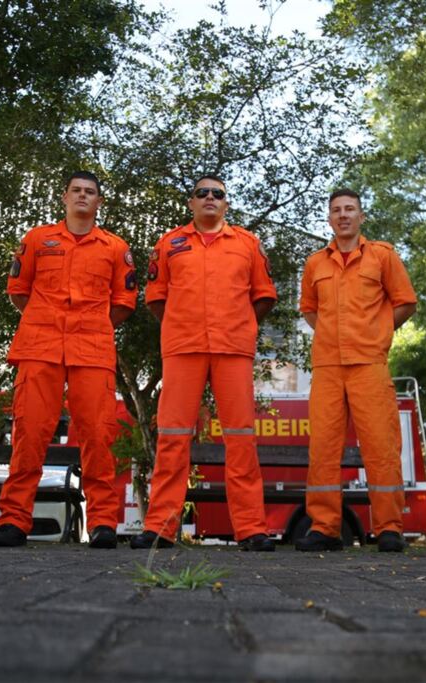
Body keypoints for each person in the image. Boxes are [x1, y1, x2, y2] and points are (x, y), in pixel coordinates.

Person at [0, 171, 136, 549]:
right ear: (64, 197)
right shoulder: (37, 240)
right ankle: (14, 520)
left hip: (93, 350)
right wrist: (47, 321)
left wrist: (92, 326)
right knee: (30, 434)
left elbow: (124, 302)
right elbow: (18, 291)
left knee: (99, 436)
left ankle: (102, 523)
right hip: (40, 347)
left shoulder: (115, 247)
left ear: (99, 201)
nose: (83, 196)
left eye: (90, 192)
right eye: (76, 190)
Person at [130, 175, 277, 551]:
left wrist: (240, 326)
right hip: (183, 348)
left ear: (226, 203)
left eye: (218, 193)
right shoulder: (169, 243)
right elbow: (156, 298)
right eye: (202, 193)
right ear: (191, 203)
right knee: (172, 436)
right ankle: (160, 527)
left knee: (241, 438)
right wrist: (182, 325)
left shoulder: (248, 243)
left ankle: (251, 529)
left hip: (233, 349)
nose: (210, 197)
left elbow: (263, 296)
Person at [295, 189, 417, 552]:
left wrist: (378, 333)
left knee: (381, 447)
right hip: (327, 367)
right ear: (329, 219)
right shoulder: (315, 263)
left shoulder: (382, 256)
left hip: (369, 364)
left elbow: (406, 302)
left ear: (361, 216)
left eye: (350, 209)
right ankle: (324, 528)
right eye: (336, 210)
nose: (343, 215)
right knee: (323, 449)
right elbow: (309, 309)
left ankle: (389, 528)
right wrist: (332, 335)